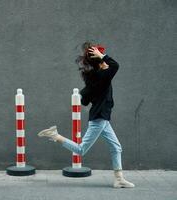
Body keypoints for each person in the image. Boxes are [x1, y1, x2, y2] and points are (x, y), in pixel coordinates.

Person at [37, 42, 135, 188]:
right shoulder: (103, 76)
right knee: (81, 150)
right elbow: (115, 65)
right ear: (100, 62)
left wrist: (92, 92)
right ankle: (54, 135)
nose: (105, 62)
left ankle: (119, 178)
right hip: (99, 118)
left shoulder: (95, 78)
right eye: (102, 60)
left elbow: (84, 100)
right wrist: (102, 56)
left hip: (102, 117)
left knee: (116, 147)